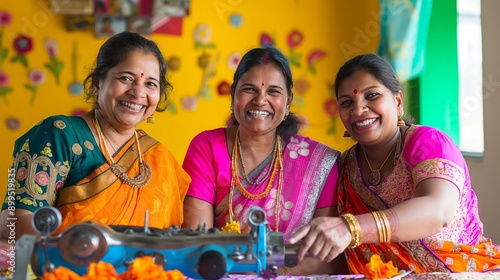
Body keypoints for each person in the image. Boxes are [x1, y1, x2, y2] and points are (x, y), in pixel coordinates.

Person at [290, 53, 500, 274]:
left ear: (398, 101)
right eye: (347, 102)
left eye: (372, 95)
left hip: (461, 274)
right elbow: (328, 249)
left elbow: (438, 211)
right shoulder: (346, 167)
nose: (359, 110)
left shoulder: (428, 142)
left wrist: (352, 228)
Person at [0, 32, 191, 239]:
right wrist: (77, 252)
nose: (138, 92)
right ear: (98, 83)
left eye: (150, 84)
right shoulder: (60, 133)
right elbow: (14, 221)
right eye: (126, 78)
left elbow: (171, 238)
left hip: (143, 270)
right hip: (64, 267)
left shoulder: (160, 158)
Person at [181, 47, 341, 275]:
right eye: (249, 90)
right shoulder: (206, 147)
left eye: (273, 91)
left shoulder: (318, 163)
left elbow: (326, 255)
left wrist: (275, 275)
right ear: (233, 95)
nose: (260, 100)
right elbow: (197, 242)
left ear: (288, 103)